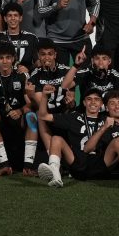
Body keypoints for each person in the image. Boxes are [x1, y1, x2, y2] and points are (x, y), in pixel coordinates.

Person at [32, 87, 111, 188]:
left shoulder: (107, 120)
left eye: (97, 99)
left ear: (101, 104)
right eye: (89, 99)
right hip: (77, 165)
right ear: (84, 103)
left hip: (99, 165)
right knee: (56, 139)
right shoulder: (74, 117)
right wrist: (44, 96)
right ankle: (55, 174)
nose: (93, 102)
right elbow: (43, 116)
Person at [0, 39, 33, 176]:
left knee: (32, 116)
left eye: (8, 57)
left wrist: (20, 111)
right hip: (2, 117)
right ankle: (5, 165)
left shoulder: (22, 76)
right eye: (1, 58)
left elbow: (31, 104)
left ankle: (28, 166)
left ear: (13, 59)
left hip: (20, 116)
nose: (5, 61)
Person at [27, 37, 70, 174]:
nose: (47, 57)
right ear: (39, 56)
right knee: (39, 116)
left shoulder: (66, 71)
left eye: (50, 54)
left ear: (55, 55)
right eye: (43, 54)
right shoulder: (35, 74)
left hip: (65, 112)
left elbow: (72, 97)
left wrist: (70, 101)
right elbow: (42, 105)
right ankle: (54, 164)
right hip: (47, 113)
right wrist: (32, 96)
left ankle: (59, 164)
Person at [0, 2, 39, 73]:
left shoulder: (31, 38)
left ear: (20, 18)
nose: (13, 18)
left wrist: (29, 69)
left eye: (15, 15)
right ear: (5, 19)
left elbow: (38, 62)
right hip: (4, 76)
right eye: (10, 15)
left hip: (26, 76)